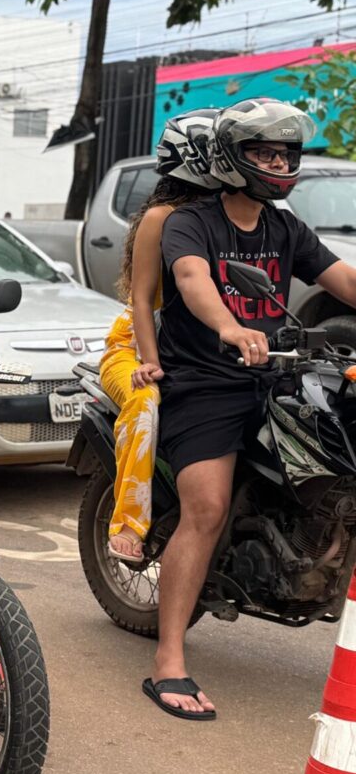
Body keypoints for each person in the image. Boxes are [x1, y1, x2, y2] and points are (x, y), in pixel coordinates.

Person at [148, 97, 356, 720]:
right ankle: (168, 663)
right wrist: (232, 328)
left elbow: (339, 277)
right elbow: (192, 281)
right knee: (205, 509)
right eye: (265, 151)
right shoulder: (192, 222)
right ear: (233, 157)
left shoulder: (285, 227)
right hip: (205, 380)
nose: (278, 162)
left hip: (276, 376)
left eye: (286, 153)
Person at [98, 109, 221, 563]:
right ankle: (127, 523)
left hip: (201, 351)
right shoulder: (162, 217)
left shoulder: (239, 214)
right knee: (145, 398)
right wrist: (150, 362)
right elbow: (142, 301)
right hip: (135, 346)